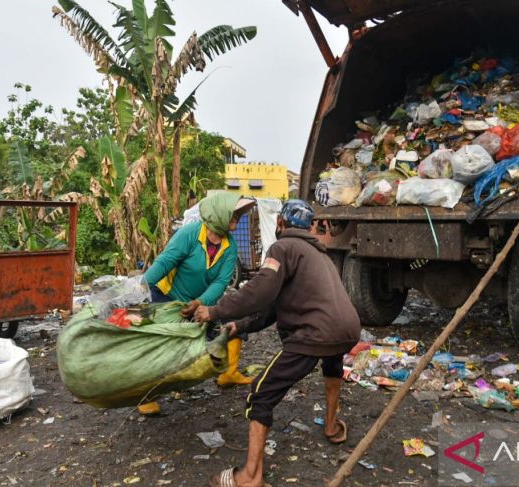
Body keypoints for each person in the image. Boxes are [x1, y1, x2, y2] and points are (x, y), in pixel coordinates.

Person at [195, 199, 361, 487]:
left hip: (315, 333)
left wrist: (215, 311)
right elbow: (271, 309)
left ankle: (250, 477)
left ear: (281, 224)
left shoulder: (282, 248)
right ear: (310, 227)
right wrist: (240, 326)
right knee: (332, 364)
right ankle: (332, 427)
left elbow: (258, 293)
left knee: (260, 393)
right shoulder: (319, 254)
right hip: (346, 330)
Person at [143, 191, 256, 388]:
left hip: (199, 301)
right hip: (167, 297)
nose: (238, 216)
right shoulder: (190, 234)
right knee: (159, 342)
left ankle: (229, 373)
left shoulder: (230, 246)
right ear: (219, 213)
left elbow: (221, 283)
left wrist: (200, 302)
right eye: (234, 212)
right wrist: (140, 288)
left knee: (235, 320)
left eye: (239, 213)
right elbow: (164, 263)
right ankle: (147, 392)